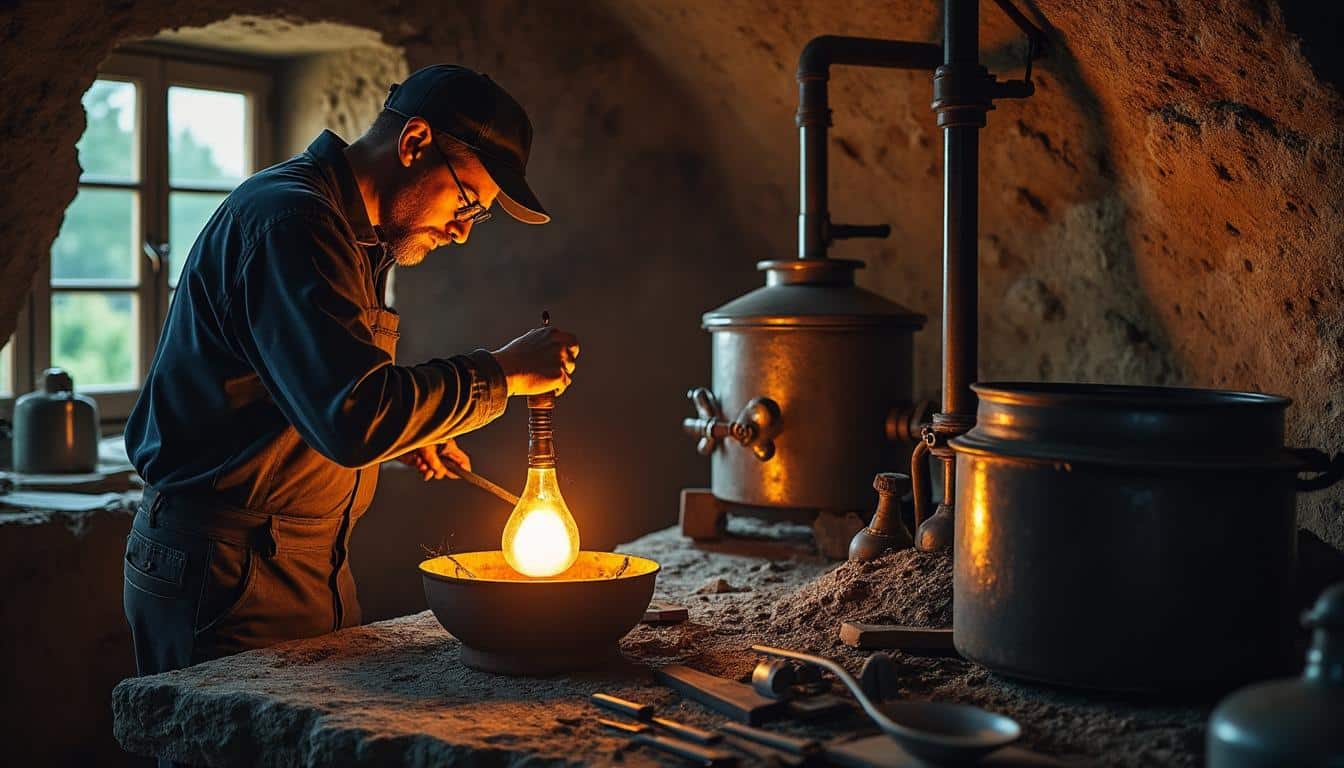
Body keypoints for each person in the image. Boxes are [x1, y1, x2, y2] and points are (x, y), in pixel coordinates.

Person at [121, 64, 578, 676]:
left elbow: (306, 395)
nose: (464, 232)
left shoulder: (356, 238)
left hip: (308, 563)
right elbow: (353, 417)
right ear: (415, 143)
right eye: (468, 200)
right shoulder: (293, 223)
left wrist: (408, 433)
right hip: (227, 571)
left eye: (479, 215)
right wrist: (502, 373)